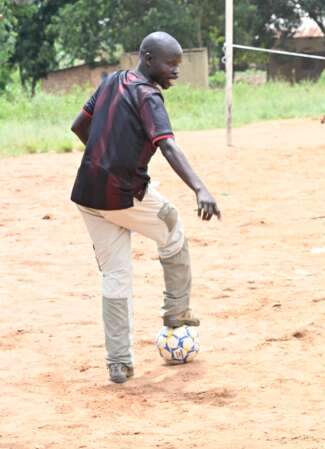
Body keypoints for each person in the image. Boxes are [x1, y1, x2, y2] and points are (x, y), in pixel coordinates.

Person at [70, 31, 221, 384]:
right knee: (173, 230)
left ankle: (118, 363)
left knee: (116, 276)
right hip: (121, 194)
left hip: (86, 194)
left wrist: (104, 156)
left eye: (178, 65)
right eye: (171, 64)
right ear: (148, 59)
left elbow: (80, 126)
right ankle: (177, 316)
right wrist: (200, 188)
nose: (176, 71)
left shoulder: (111, 82)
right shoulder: (148, 96)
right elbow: (168, 147)